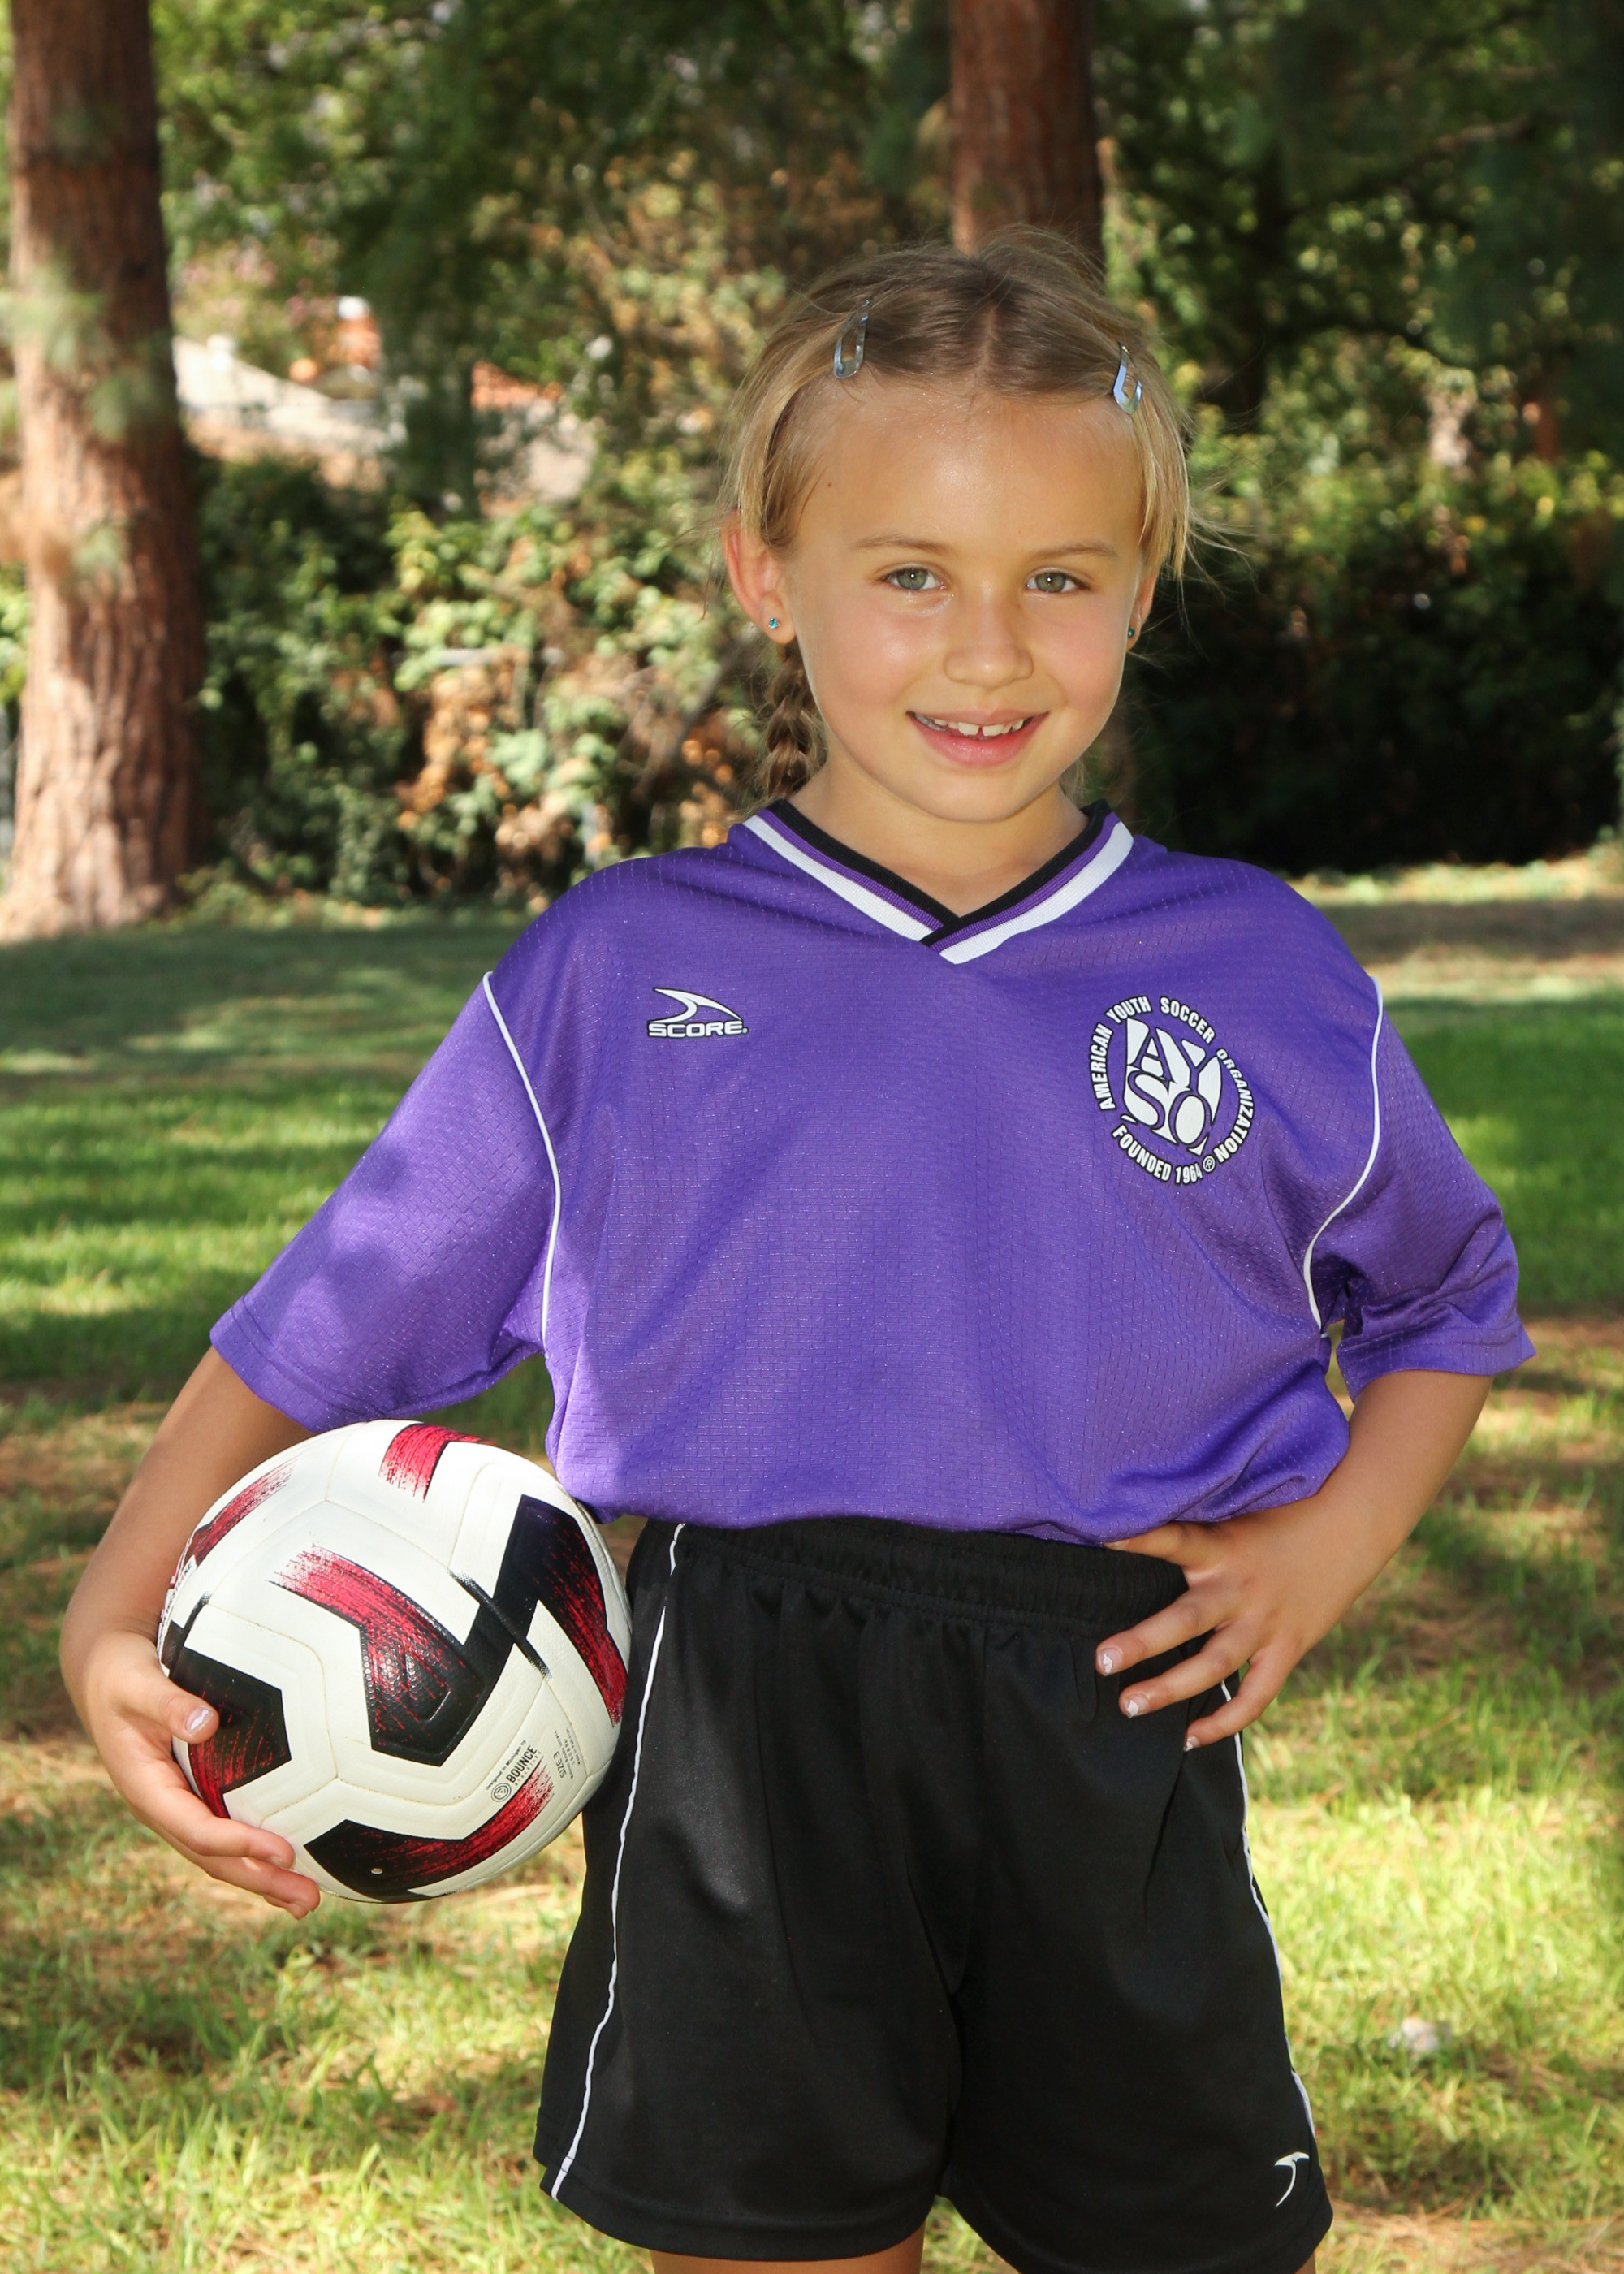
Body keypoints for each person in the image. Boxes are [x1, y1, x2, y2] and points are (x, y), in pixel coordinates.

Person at [61, 233, 1532, 2274]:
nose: (987, 649)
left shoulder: (1254, 966)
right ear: (769, 572)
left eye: (1060, 577)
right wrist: (113, 1607)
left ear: (1139, 586)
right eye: (909, 571)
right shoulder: (619, 966)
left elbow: (1448, 1293)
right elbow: (334, 1317)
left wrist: (1329, 1545)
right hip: (736, 1724)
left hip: (1112, 1708)